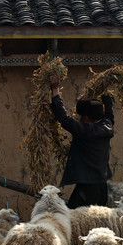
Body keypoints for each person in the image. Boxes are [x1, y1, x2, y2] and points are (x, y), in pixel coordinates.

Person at [49, 75, 114, 209]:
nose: (78, 119)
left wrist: (55, 90)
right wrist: (105, 91)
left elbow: (64, 119)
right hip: (102, 188)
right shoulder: (107, 127)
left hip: (87, 189)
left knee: (76, 219)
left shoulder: (84, 130)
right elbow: (109, 113)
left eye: (80, 116)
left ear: (85, 117)